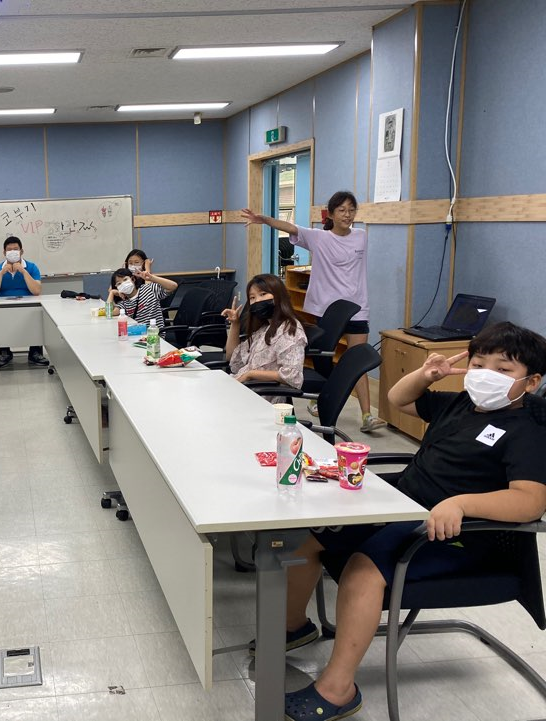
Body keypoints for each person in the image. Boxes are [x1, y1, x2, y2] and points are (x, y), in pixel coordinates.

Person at [277, 321, 546, 721]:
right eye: (478, 364)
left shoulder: (527, 431)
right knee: (312, 537)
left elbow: (530, 502)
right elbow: (398, 399)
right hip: (406, 509)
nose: (486, 375)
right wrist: (425, 374)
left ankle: (338, 689)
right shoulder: (460, 404)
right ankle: (294, 626)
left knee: (363, 571)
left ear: (532, 382)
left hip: (455, 536)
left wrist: (461, 504)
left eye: (503, 370)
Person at [242, 191, 387, 433]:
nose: (347, 215)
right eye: (342, 210)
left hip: (358, 307)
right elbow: (289, 227)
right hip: (326, 308)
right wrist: (263, 219)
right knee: (323, 357)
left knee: (357, 359)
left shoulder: (361, 236)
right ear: (331, 214)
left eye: (351, 210)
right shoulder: (318, 237)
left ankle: (367, 415)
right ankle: (318, 398)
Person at [221, 273, 307, 391]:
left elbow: (293, 376)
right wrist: (235, 323)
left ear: (278, 296)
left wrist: (250, 374)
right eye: (252, 298)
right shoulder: (264, 328)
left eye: (263, 294)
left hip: (260, 392)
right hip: (245, 386)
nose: (257, 301)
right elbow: (232, 357)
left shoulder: (290, 330)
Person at [0, 236, 48, 368]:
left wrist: (23, 271)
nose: (12, 252)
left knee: (38, 315)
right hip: (4, 308)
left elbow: (37, 290)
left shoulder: (31, 267)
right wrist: (1, 273)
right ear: (4, 252)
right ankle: (4, 352)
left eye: (16, 249)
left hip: (28, 306)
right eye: (9, 250)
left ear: (21, 251)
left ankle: (35, 352)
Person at [107, 266, 178, 329]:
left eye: (125, 280)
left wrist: (152, 278)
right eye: (119, 284)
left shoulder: (149, 289)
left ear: (133, 279)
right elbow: (109, 312)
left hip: (154, 334)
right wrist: (112, 293)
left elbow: (173, 286)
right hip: (138, 335)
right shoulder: (124, 303)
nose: (123, 284)